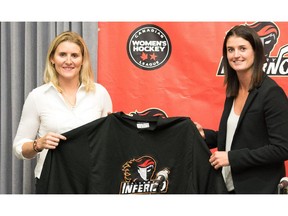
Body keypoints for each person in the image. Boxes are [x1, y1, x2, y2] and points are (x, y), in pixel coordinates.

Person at [195, 24, 288, 194]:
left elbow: (282, 148)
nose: (236, 55)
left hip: (259, 191)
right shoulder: (233, 91)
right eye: (230, 50)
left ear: (256, 52)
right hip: (228, 187)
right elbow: (237, 136)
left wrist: (231, 157)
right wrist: (204, 136)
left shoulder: (271, 93)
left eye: (242, 48)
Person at [13, 31, 113, 188]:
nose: (68, 61)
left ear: (82, 60)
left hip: (93, 180)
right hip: (52, 180)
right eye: (62, 55)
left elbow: (106, 145)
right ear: (52, 59)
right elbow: (19, 148)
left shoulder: (100, 93)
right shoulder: (37, 96)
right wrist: (38, 144)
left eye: (74, 55)